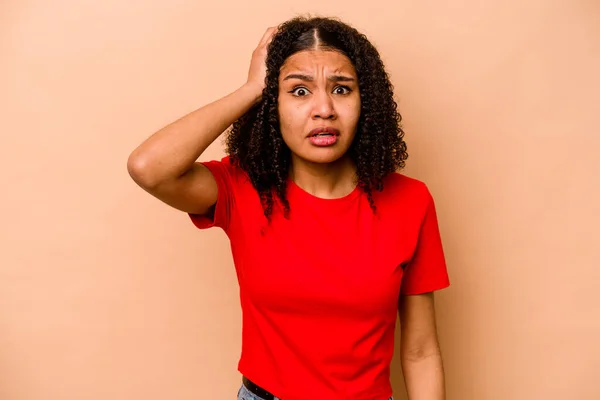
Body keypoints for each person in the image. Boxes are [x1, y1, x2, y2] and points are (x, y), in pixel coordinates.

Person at [127, 16, 450, 400]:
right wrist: (249, 89)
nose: (324, 109)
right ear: (272, 103)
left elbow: (420, 351)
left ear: (367, 101)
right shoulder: (242, 185)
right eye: (299, 91)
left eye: (342, 89)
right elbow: (149, 168)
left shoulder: (410, 200)